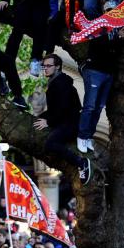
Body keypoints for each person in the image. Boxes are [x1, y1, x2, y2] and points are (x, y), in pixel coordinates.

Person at [33, 53, 91, 184]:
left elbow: (64, 107)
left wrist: (49, 121)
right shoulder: (56, 82)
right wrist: (42, 117)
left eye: (49, 66)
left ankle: (81, 163)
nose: (45, 69)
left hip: (71, 122)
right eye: (44, 66)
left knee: (51, 144)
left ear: (57, 67)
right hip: (65, 120)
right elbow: (55, 108)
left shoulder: (61, 83)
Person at [76, 5, 124, 153]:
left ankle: (88, 136)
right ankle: (82, 136)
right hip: (95, 71)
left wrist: (118, 38)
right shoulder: (98, 25)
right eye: (108, 10)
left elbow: (114, 51)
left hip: (108, 73)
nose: (111, 13)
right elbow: (101, 46)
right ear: (104, 12)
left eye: (114, 11)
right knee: (90, 106)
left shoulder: (116, 29)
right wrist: (117, 38)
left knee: (98, 108)